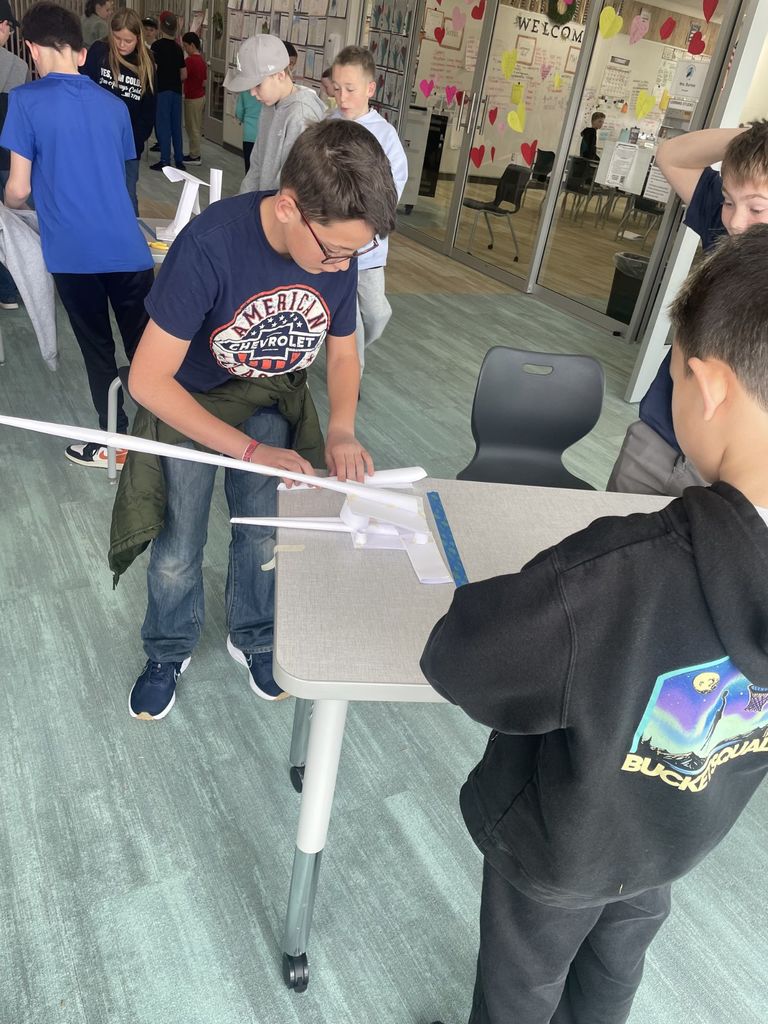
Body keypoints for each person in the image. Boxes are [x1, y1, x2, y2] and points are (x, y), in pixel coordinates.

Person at [421, 224, 768, 1024]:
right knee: (614, 975)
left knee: (522, 986)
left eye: (673, 371)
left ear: (709, 386)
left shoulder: (621, 571)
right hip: (679, 835)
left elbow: (463, 659)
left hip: (565, 842)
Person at [109, 118, 397, 721]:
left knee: (265, 530)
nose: (344, 267)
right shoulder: (211, 246)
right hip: (190, 400)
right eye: (337, 250)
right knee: (179, 542)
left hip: (271, 392)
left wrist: (341, 428)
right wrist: (245, 451)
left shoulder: (332, 258)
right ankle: (167, 648)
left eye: (357, 252)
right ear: (289, 208)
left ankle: (257, 635)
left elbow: (344, 352)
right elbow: (146, 380)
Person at [1, 1, 154, 469]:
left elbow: (19, 189)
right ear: (81, 54)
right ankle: (163, 442)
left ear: (31, 48)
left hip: (74, 254)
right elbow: (117, 174)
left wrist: (16, 204)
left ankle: (116, 441)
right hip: (130, 250)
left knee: (98, 351)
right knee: (145, 350)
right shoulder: (113, 107)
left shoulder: (25, 101)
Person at [607, 123, 768, 496]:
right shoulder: (730, 230)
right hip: (659, 437)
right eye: (729, 201)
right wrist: (751, 143)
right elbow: (671, 156)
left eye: (757, 208)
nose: (737, 222)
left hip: (732, 476)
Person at [330, 46, 407, 373]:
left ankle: (348, 350)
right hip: (331, 244)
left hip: (369, 249)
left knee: (376, 313)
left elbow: (392, 191)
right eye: (336, 88)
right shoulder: (327, 125)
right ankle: (351, 376)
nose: (342, 97)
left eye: (350, 89)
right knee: (350, 316)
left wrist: (364, 228)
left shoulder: (385, 136)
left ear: (370, 89)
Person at [228, 35, 325, 194]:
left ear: (280, 75)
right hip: (264, 204)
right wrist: (243, 203)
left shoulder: (301, 116)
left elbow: (293, 186)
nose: (252, 92)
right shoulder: (269, 104)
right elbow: (257, 165)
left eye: (258, 85)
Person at [82, 8, 156, 215]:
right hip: (94, 140)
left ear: (138, 39)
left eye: (128, 40)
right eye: (117, 38)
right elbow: (83, 91)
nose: (122, 45)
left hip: (128, 145)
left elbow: (148, 110)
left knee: (127, 197)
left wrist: (136, 141)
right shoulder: (98, 51)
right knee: (92, 193)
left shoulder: (146, 61)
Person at [0, 0, 28, 310]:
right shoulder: (15, 65)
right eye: (9, 27)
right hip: (7, 158)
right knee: (10, 225)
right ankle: (9, 290)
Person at [150, 10, 185, 172]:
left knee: (163, 126)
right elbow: (184, 74)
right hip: (177, 91)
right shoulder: (179, 49)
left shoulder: (156, 47)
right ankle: (179, 160)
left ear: (161, 27)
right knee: (176, 126)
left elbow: (154, 69)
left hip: (162, 90)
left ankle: (165, 160)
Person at [181, 31, 205, 165]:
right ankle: (193, 153)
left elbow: (183, 76)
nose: (185, 49)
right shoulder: (201, 60)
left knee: (192, 127)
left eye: (185, 46)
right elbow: (204, 82)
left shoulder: (189, 61)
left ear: (192, 45)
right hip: (200, 96)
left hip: (193, 98)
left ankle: (195, 155)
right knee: (195, 125)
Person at [235, 87, 261, 175]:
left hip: (248, 134)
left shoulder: (245, 92)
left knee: (249, 168)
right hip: (263, 135)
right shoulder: (267, 93)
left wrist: (242, 119)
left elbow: (239, 112)